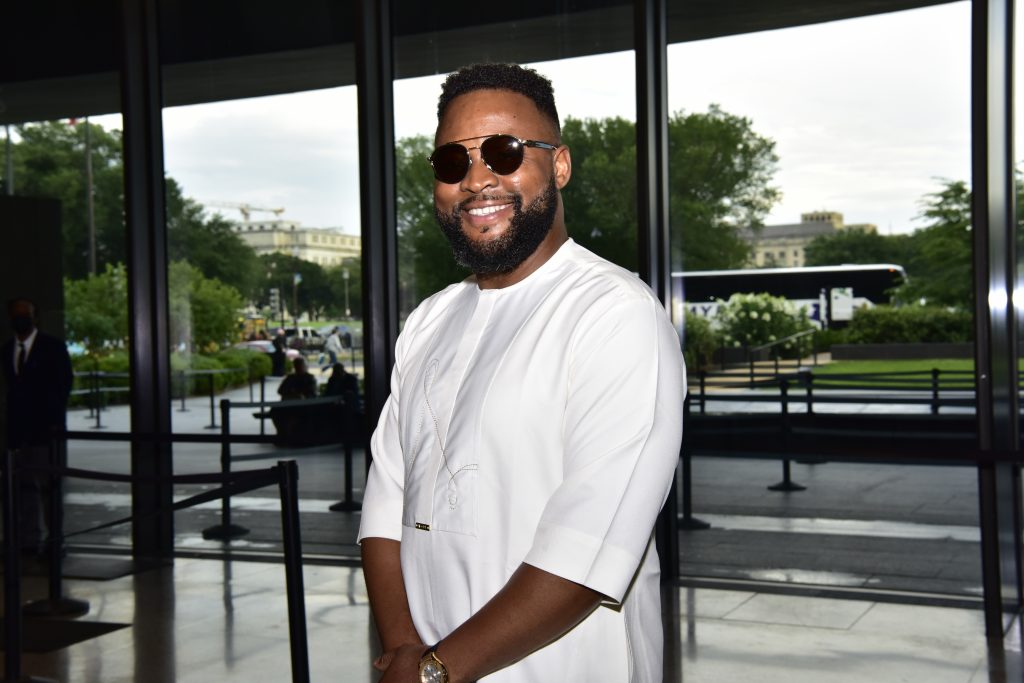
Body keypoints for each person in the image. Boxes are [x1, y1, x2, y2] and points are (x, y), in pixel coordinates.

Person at [358, 63, 685, 683]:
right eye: (452, 161)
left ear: (558, 166)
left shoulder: (614, 313)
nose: (477, 179)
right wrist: (404, 649)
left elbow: (589, 547)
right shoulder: (429, 320)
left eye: (504, 152)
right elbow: (385, 505)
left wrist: (435, 670)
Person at [1, 298, 73, 556]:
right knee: (23, 489)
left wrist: (51, 423)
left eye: (26, 314)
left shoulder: (53, 347)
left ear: (35, 317)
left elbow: (64, 385)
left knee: (49, 488)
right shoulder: (6, 349)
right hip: (18, 433)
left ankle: (55, 541)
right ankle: (28, 541)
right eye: (16, 314)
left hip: (46, 432)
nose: (20, 318)